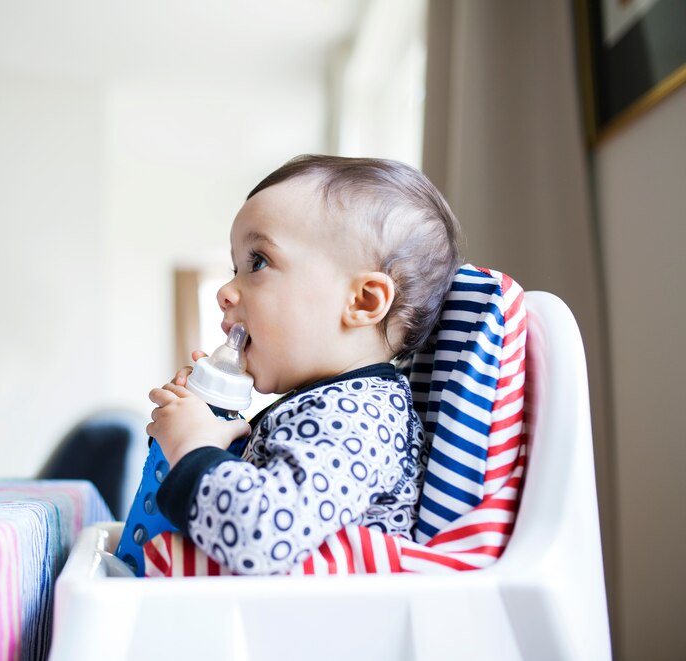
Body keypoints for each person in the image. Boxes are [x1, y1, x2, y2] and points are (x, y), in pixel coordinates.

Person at [146, 155, 462, 575]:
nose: (225, 290)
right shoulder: (327, 403)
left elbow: (260, 534)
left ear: (362, 301)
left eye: (258, 262)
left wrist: (194, 447)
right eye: (234, 267)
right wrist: (206, 429)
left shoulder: (360, 418)